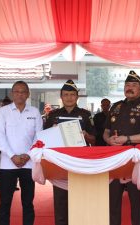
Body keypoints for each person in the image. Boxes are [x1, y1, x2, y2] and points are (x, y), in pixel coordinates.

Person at [103, 70, 140, 225]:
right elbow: (106, 132)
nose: (129, 87)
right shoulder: (116, 106)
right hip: (114, 160)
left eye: (134, 85)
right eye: (127, 85)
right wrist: (109, 140)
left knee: (136, 200)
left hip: (134, 159)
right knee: (113, 200)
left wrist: (127, 139)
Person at [44, 79, 96, 225]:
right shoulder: (52, 115)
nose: (69, 97)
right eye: (66, 94)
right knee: (60, 202)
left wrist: (86, 135)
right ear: (61, 97)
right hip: (60, 163)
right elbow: (44, 140)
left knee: (80, 201)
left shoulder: (85, 115)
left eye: (72, 94)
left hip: (80, 162)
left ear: (77, 97)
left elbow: (94, 140)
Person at [0, 81, 42, 225]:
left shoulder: (34, 112)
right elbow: (0, 137)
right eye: (17, 91)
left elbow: (39, 137)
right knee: (5, 203)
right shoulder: (3, 112)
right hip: (7, 164)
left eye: (23, 91)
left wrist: (28, 155)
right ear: (12, 93)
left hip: (28, 164)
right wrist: (12, 156)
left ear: (28, 94)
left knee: (28, 203)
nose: (20, 94)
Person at [0, 96, 13, 191]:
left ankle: (13, 184)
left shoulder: (14, 113)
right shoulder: (0, 114)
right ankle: (0, 183)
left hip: (13, 143)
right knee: (0, 162)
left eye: (7, 104)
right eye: (4, 105)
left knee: (14, 163)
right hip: (2, 143)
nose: (5, 106)